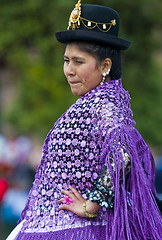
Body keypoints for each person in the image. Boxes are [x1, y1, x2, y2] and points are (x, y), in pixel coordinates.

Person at [7, 1, 162, 239]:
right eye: (66, 60)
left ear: (105, 66)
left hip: (82, 229)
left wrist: (91, 206)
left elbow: (123, 153)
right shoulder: (95, 101)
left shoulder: (105, 103)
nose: (69, 70)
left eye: (78, 61)